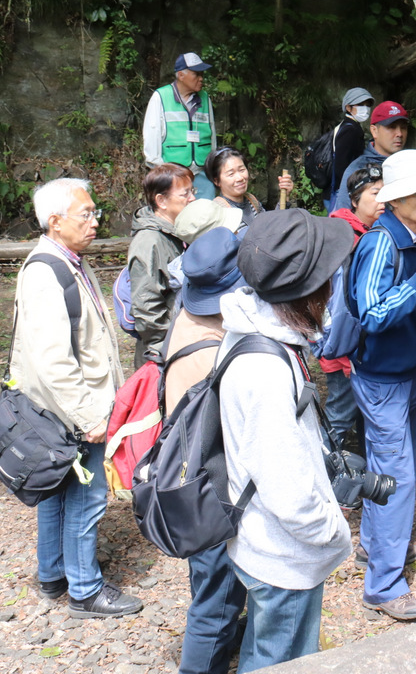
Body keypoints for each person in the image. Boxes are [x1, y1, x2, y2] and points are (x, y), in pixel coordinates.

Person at [220, 210, 355, 670]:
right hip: (283, 555)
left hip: (261, 539)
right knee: (283, 660)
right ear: (308, 290)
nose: (334, 286)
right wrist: (333, 531)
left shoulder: (254, 329)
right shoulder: (265, 370)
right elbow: (287, 490)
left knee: (265, 648)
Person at [12, 178, 141, 618]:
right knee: (86, 498)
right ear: (55, 221)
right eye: (85, 214)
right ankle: (84, 590)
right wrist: (91, 416)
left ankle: (54, 573)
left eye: (93, 212)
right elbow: (53, 360)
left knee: (57, 491)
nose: (94, 220)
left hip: (62, 408)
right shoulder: (46, 271)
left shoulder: (68, 261)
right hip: (71, 408)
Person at [347, 149, 416, 621]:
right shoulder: (381, 243)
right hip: (382, 378)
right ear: (396, 199)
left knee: (392, 467)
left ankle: (374, 547)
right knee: (398, 475)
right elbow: (370, 313)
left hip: (407, 370)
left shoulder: (412, 238)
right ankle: (385, 586)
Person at [166, 228, 247, 674]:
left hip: (188, 478)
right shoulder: (215, 345)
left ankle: (225, 638)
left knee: (210, 587)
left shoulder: (184, 317)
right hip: (210, 488)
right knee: (214, 602)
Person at [318, 165, 385, 450]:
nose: (383, 199)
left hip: (360, 346)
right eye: (375, 193)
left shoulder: (373, 233)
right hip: (342, 346)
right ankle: (325, 466)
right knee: (341, 411)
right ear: (355, 200)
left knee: (360, 410)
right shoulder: (342, 237)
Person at [128, 163, 194, 366]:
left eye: (193, 191)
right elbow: (146, 308)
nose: (192, 199)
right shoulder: (149, 242)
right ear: (161, 201)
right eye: (185, 194)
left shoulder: (176, 231)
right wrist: (166, 348)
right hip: (163, 351)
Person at [143, 52, 218, 198]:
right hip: (174, 176)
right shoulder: (161, 97)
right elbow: (152, 135)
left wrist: (213, 166)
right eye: (196, 74)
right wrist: (160, 172)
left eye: (202, 74)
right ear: (181, 75)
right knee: (176, 219)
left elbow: (212, 133)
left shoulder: (205, 98)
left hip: (202, 174)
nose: (201, 78)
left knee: (206, 216)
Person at [332, 101, 410, 211]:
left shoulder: (411, 164)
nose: (399, 133)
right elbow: (342, 215)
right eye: (391, 127)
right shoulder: (358, 168)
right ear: (374, 131)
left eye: (403, 127)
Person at [204, 147, 293, 226]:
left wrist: (285, 196)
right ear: (216, 181)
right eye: (231, 174)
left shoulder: (251, 200)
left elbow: (269, 227)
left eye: (242, 170)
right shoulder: (218, 211)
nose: (239, 178)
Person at [327, 87, 376, 211]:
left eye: (367, 105)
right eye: (360, 105)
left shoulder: (347, 126)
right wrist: (350, 189)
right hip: (343, 191)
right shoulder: (350, 130)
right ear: (348, 108)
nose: (365, 109)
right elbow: (341, 165)